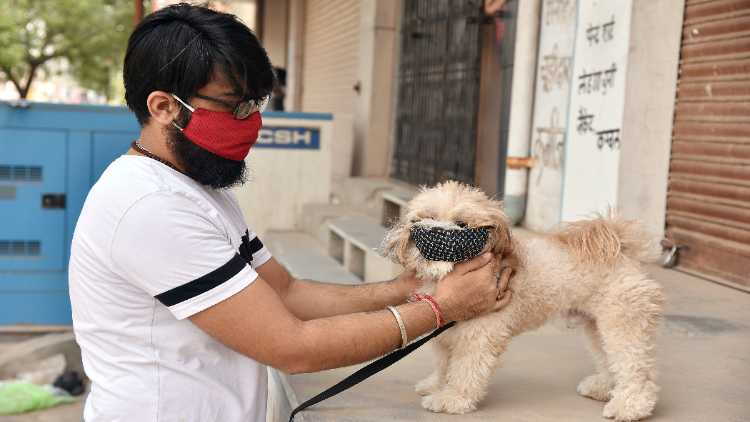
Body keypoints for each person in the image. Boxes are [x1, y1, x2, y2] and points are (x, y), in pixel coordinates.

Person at [68, 4, 513, 422]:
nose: (252, 122)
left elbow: (286, 290)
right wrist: (441, 308)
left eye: (256, 104)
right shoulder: (151, 209)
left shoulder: (197, 186)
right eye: (234, 105)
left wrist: (403, 289)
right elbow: (291, 347)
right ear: (164, 107)